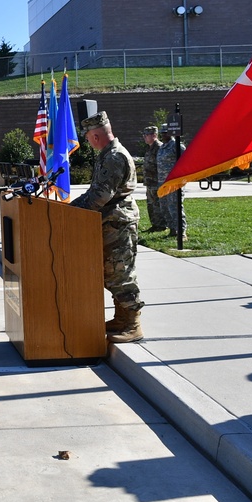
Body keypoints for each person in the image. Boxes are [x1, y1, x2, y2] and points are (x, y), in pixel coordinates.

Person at [70, 111, 144, 343]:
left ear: (94, 136)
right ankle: (121, 318)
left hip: (118, 224)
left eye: (88, 137)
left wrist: (70, 210)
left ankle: (133, 325)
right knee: (111, 273)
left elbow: (99, 196)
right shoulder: (107, 154)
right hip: (110, 223)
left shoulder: (113, 157)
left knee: (119, 274)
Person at [157, 124, 187, 241]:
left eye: (165, 132)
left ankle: (182, 231)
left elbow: (185, 162)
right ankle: (172, 229)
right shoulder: (162, 147)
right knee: (164, 207)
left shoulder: (177, 146)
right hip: (163, 184)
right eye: (162, 133)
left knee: (175, 207)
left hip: (174, 183)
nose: (163, 135)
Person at [142, 126, 167, 232]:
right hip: (149, 182)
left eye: (146, 135)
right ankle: (154, 225)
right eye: (144, 135)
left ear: (154, 135)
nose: (144, 137)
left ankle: (161, 225)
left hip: (157, 181)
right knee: (151, 204)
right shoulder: (150, 148)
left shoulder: (160, 148)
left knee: (158, 204)